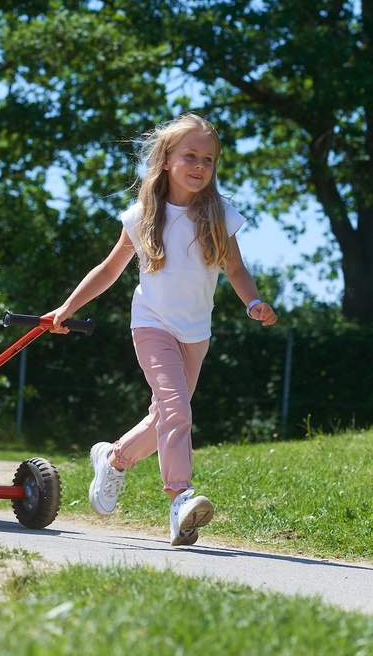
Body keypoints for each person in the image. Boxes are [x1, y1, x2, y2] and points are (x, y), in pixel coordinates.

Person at [43, 113, 277, 546]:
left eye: (208, 159)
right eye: (190, 155)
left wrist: (254, 302)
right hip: (151, 326)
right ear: (166, 159)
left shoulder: (220, 215)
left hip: (196, 334)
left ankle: (114, 459)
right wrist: (68, 306)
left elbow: (237, 268)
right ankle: (179, 496)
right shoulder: (142, 215)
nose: (199, 165)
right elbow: (110, 269)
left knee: (165, 417)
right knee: (176, 409)